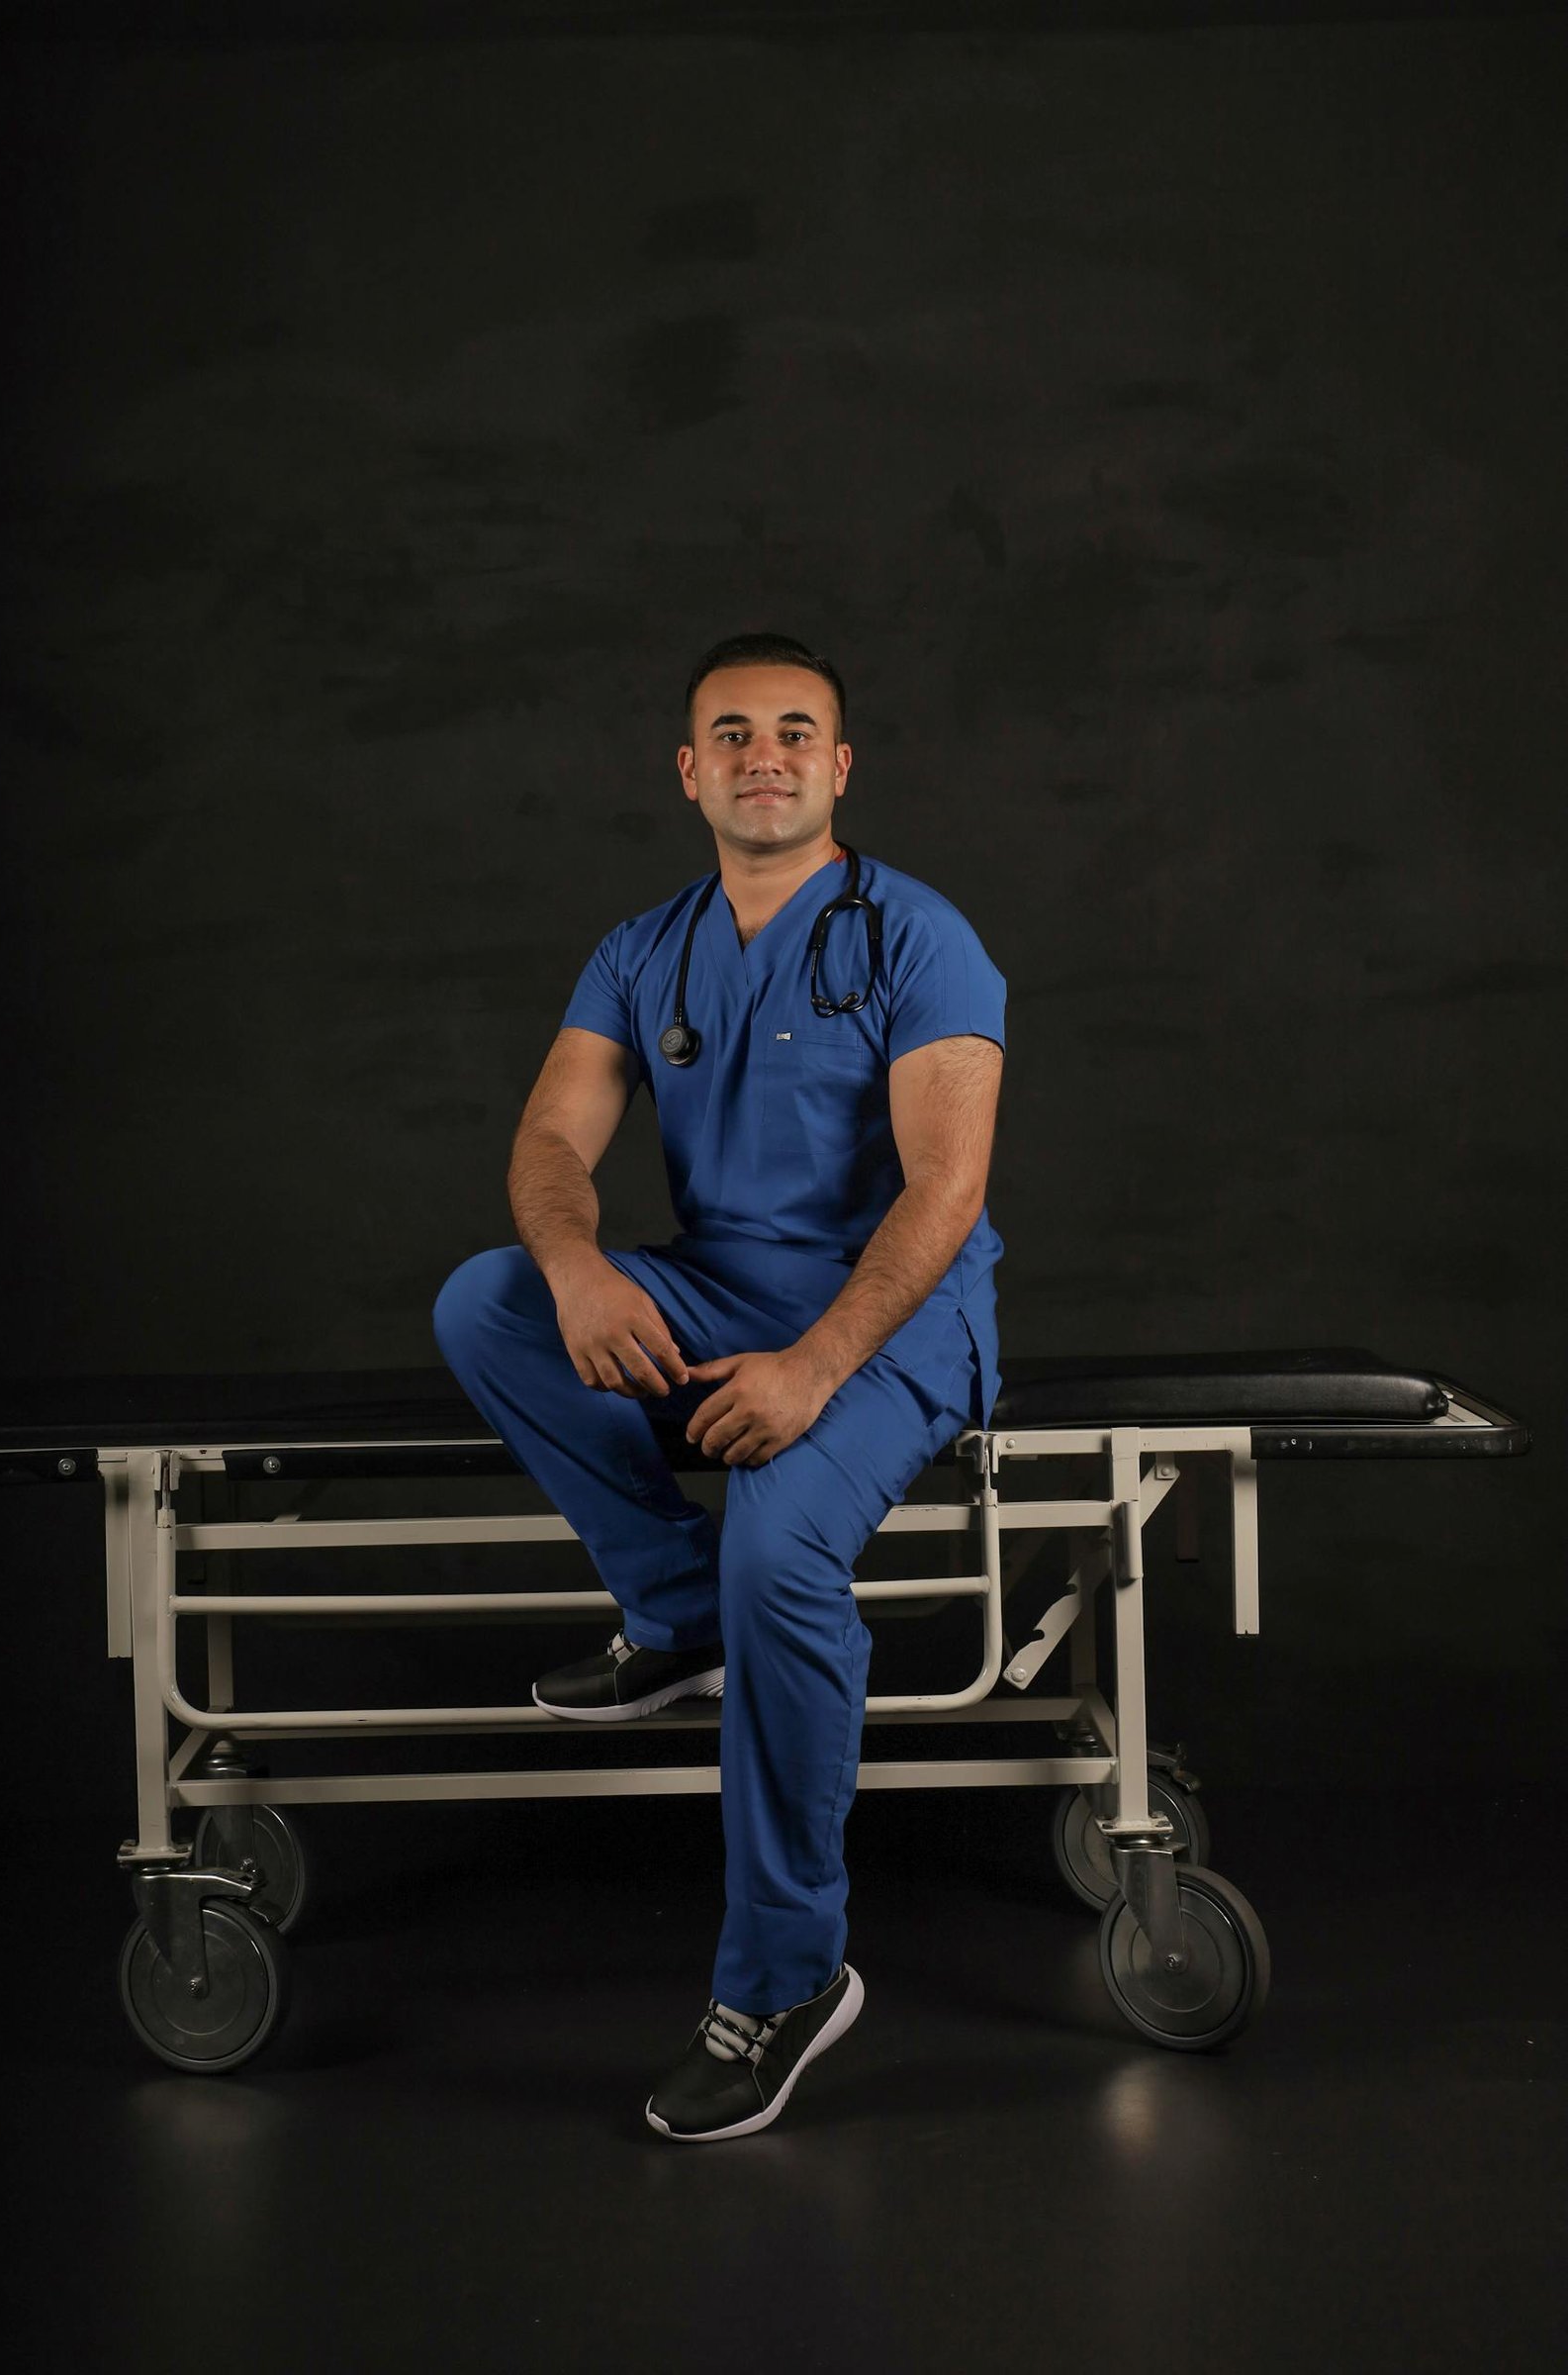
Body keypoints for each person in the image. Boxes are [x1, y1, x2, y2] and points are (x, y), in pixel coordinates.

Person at [432, 630, 1005, 2140]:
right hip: (717, 1288)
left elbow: (946, 1189)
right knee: (489, 1300)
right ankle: (676, 1614)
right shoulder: (643, 949)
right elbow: (552, 1141)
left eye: (796, 731)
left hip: (896, 1316)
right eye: (734, 733)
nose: (767, 755)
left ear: (840, 766)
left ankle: (784, 1979)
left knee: (778, 1549)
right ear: (690, 772)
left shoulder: (919, 937)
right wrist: (578, 1268)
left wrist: (819, 1363)